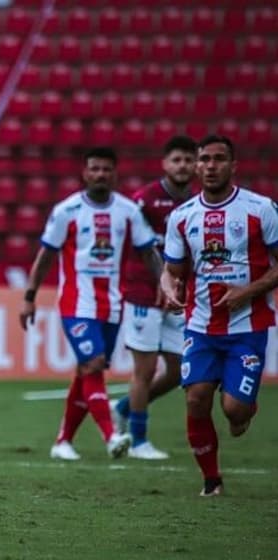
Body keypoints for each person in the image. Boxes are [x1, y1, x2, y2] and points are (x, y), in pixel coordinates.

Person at [19, 147, 161, 461]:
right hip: (75, 304)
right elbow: (45, 257)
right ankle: (111, 436)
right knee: (94, 364)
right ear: (85, 173)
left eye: (105, 169)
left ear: (115, 174)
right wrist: (29, 297)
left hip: (111, 305)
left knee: (86, 373)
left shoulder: (128, 212)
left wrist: (166, 284)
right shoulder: (67, 211)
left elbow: (149, 253)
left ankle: (62, 441)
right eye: (94, 169)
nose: (99, 174)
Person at [161, 134, 278, 497]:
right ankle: (212, 482)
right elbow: (173, 269)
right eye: (205, 160)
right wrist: (168, 286)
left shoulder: (261, 209)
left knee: (234, 411)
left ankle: (244, 408)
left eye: (218, 159)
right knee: (196, 398)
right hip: (200, 324)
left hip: (248, 326)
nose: (211, 166)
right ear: (196, 166)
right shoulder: (181, 217)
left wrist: (248, 291)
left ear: (233, 166)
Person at [111, 136, 198, 460]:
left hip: (175, 296)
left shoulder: (197, 203)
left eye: (189, 160)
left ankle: (120, 408)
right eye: (177, 160)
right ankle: (138, 441)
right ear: (165, 164)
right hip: (143, 294)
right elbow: (136, 246)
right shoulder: (144, 201)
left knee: (177, 371)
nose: (183, 166)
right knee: (144, 371)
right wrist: (158, 285)